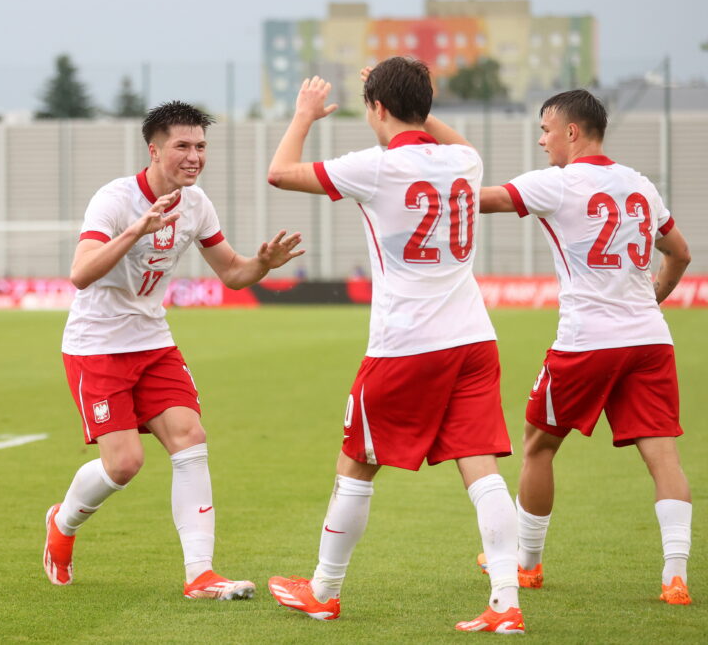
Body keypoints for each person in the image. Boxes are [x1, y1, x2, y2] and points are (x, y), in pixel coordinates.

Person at [263, 58, 524, 633]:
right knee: (481, 470)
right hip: (475, 338)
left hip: (407, 343)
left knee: (356, 462)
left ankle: (324, 591)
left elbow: (279, 173)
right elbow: (450, 138)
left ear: (375, 108)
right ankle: (506, 601)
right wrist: (411, 98)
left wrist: (304, 114)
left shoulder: (375, 167)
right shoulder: (464, 159)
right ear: (426, 107)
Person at [44, 101, 305, 600]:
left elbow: (232, 274)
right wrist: (135, 230)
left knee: (190, 436)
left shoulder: (197, 203)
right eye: (183, 146)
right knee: (123, 465)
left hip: (153, 340)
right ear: (155, 149)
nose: (194, 157)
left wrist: (263, 264)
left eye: (201, 146)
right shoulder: (115, 200)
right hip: (97, 345)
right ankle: (63, 521)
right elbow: (80, 274)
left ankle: (200, 574)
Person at [476, 89, 693, 605]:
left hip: (587, 343)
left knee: (538, 444)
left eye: (546, 129)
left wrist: (424, 178)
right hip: (649, 341)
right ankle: (675, 577)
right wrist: (651, 300)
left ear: (572, 132)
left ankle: (527, 566)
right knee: (663, 456)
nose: (541, 138)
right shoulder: (639, 184)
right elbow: (680, 254)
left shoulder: (558, 183)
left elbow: (488, 200)